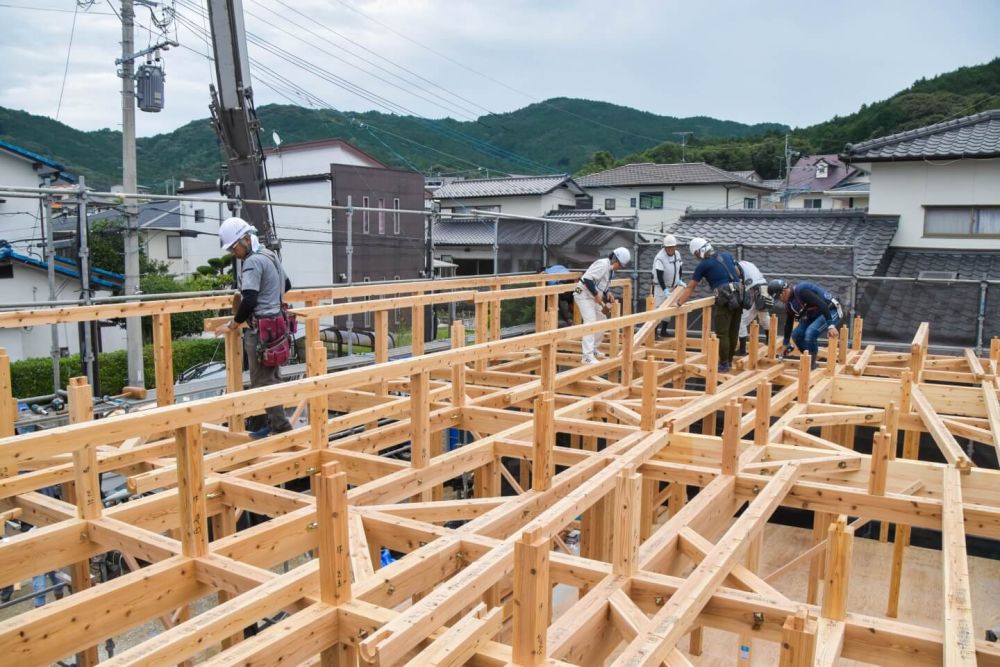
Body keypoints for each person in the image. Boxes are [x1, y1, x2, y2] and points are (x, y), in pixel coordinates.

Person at [214, 217, 294, 436]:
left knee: (261, 380)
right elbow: (286, 284)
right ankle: (269, 424)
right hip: (277, 325)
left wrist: (233, 324)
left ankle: (278, 427)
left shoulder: (251, 263)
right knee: (272, 376)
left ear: (246, 240)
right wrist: (270, 296)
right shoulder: (269, 255)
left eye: (234, 247)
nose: (233, 252)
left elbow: (249, 300)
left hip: (262, 330)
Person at [673, 237, 744, 372]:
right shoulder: (726, 255)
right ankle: (729, 360)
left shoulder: (703, 265)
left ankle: (724, 364)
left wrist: (678, 302)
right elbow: (738, 272)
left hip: (725, 298)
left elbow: (691, 287)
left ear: (699, 252)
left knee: (722, 333)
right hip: (739, 295)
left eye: (695, 255)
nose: (696, 258)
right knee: (733, 330)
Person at [767, 278, 842, 369]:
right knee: (796, 335)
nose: (780, 301)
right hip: (815, 315)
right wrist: (785, 343)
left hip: (830, 311)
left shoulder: (801, 291)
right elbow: (789, 323)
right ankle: (810, 358)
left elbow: (823, 305)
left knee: (810, 332)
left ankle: (811, 366)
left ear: (783, 292)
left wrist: (831, 326)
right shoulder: (789, 305)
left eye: (779, 297)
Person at [573, 247, 630, 364]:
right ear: (616, 260)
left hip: (592, 296)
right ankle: (587, 356)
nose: (620, 268)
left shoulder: (610, 270)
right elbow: (588, 279)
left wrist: (607, 292)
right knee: (590, 321)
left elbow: (601, 284)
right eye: (620, 265)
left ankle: (593, 349)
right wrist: (595, 294)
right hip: (583, 294)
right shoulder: (603, 264)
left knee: (601, 319)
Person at [651, 235, 683, 338]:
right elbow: (659, 275)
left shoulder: (677, 254)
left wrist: (679, 280)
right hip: (660, 287)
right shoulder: (660, 258)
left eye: (672, 247)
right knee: (658, 310)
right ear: (664, 247)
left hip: (673, 286)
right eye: (668, 247)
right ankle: (654, 333)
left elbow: (679, 268)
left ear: (675, 247)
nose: (670, 249)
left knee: (669, 310)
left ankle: (664, 331)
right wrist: (664, 289)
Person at [737, 259, 771, 356]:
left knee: (741, 321)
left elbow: (742, 285)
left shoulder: (737, 266)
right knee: (764, 318)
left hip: (754, 290)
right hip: (764, 289)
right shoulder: (747, 263)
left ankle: (742, 351)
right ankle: (770, 342)